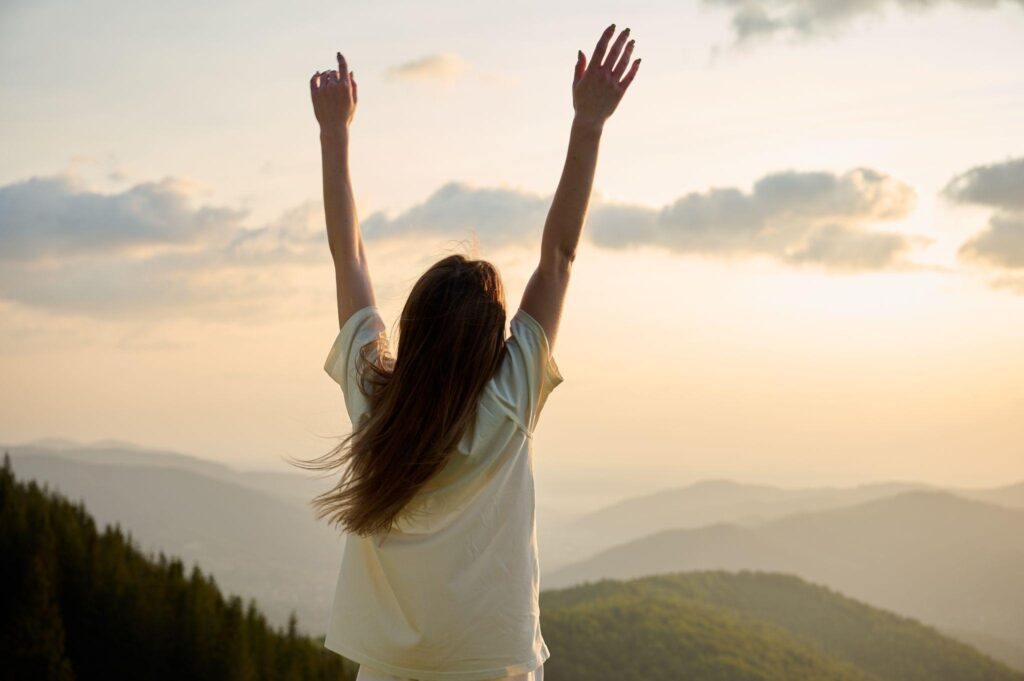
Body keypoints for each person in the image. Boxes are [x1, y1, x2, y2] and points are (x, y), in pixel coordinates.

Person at [298, 23, 640, 681]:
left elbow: (350, 255)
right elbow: (560, 258)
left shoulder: (375, 399)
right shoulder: (511, 400)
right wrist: (588, 124)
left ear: (414, 327)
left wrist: (334, 134)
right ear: (494, 343)